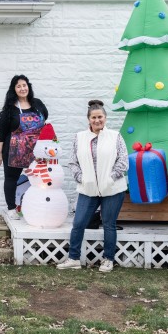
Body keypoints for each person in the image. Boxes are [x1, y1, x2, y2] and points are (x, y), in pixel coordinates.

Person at [57, 100, 128, 272]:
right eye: (94, 117)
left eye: (100, 117)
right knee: (79, 222)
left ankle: (108, 259)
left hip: (112, 189)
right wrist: (81, 178)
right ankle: (73, 258)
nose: (97, 120)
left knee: (109, 224)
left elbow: (123, 161)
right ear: (88, 119)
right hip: (88, 189)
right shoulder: (80, 137)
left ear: (105, 117)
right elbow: (73, 162)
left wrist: (110, 178)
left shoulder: (115, 136)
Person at [0, 75, 49, 220]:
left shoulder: (38, 104)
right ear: (14, 90)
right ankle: (11, 208)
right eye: (18, 86)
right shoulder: (9, 109)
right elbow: (1, 132)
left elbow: (45, 120)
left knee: (41, 177)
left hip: (37, 150)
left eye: (24, 85)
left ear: (28, 87)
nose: (22, 88)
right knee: (11, 178)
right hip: (15, 150)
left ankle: (40, 205)